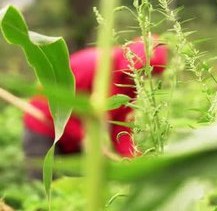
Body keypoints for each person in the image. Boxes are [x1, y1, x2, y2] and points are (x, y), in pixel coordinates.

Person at [22, 37, 168, 179]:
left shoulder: (131, 83)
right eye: (142, 71)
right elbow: (50, 102)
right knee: (42, 182)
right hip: (43, 126)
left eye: (149, 75)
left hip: (78, 137)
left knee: (75, 185)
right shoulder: (91, 65)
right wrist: (85, 136)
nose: (143, 79)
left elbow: (121, 125)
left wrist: (133, 160)